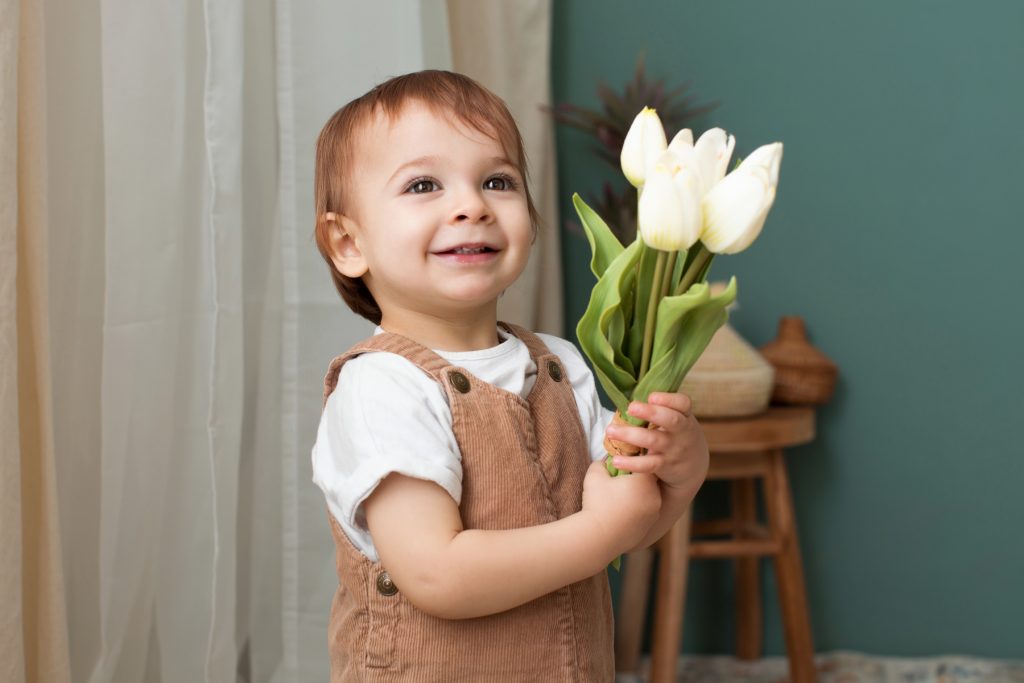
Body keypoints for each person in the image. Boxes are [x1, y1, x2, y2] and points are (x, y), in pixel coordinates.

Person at [310, 70, 709, 682]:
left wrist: (678, 476)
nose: (471, 205)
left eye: (497, 181)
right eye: (423, 185)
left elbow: (626, 519)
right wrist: (600, 530)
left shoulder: (558, 365)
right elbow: (437, 574)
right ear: (346, 244)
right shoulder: (382, 387)